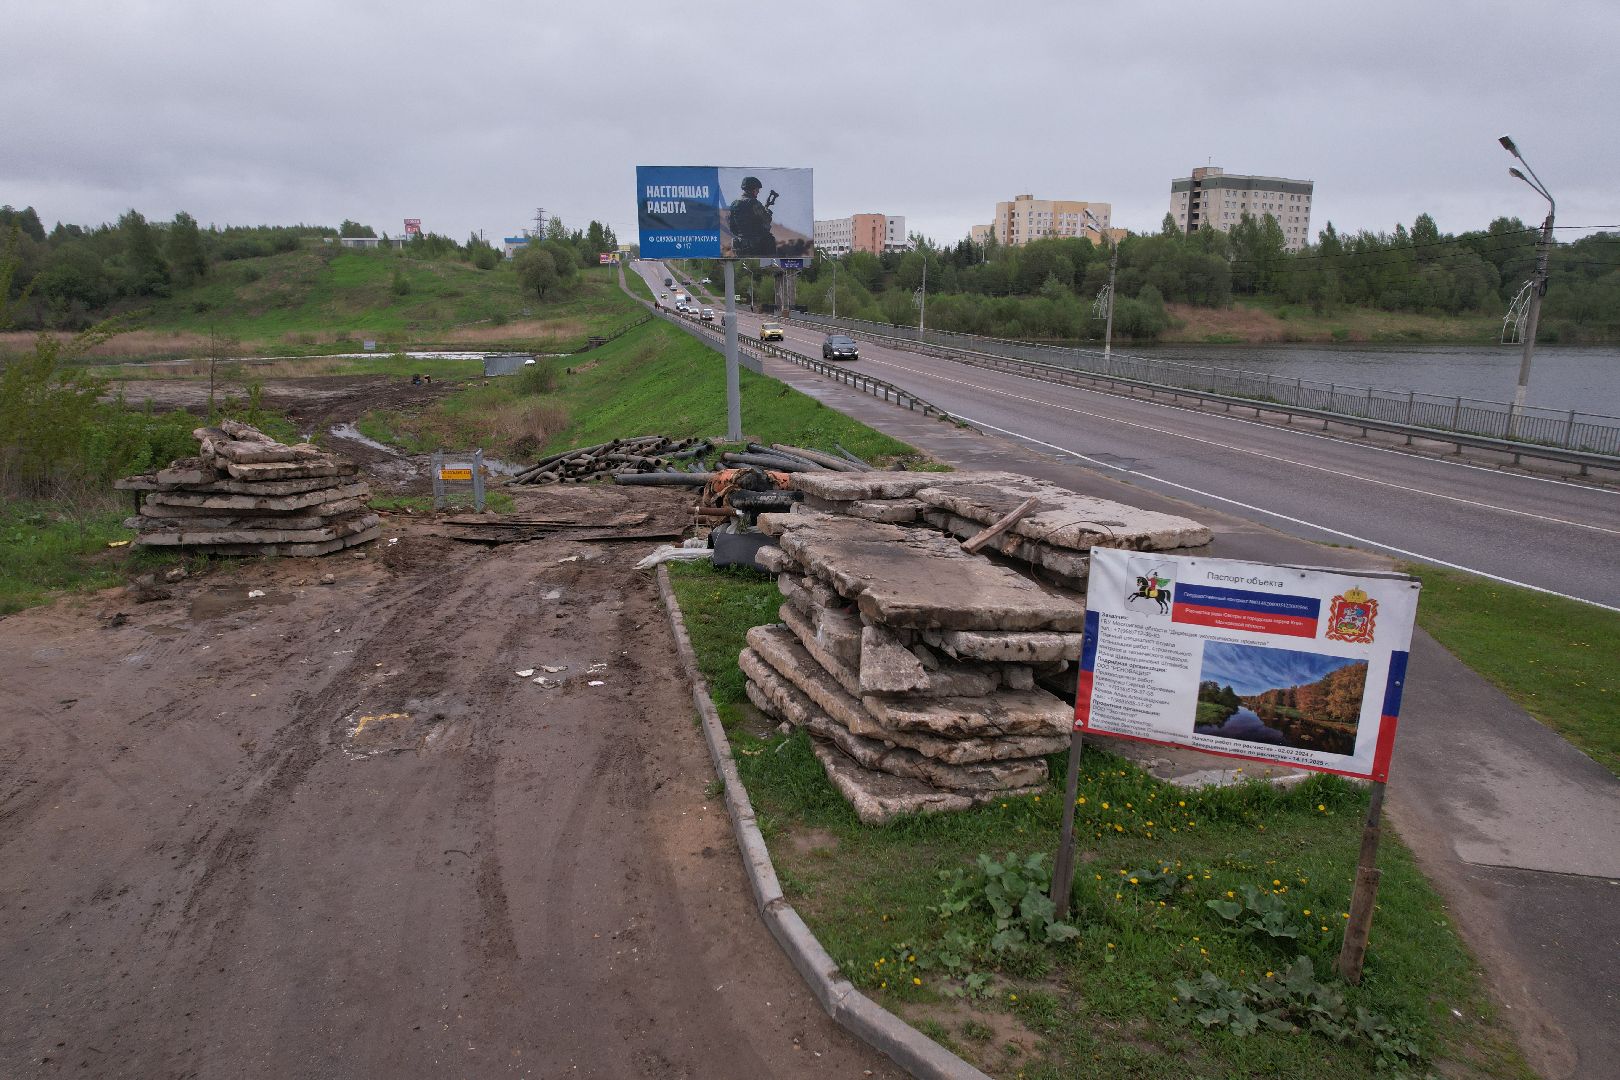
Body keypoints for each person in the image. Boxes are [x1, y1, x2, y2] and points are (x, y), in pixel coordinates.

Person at [727, 176, 777, 257]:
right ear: (752, 190)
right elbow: (767, 219)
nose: (758, 192)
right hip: (757, 247)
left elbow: (731, 226)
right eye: (757, 190)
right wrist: (767, 211)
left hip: (740, 247)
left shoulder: (734, 204)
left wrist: (742, 235)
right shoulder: (754, 203)